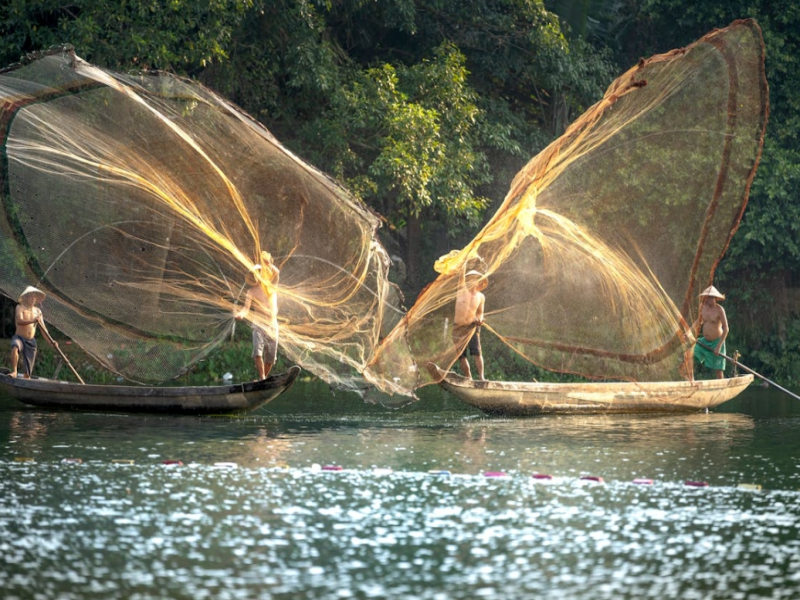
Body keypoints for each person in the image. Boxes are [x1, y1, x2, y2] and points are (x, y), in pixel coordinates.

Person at [235, 254, 280, 380]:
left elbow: (277, 272)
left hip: (272, 326)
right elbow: (245, 308)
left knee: (271, 357)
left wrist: (267, 264)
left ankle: (262, 379)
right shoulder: (251, 292)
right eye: (258, 272)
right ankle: (262, 378)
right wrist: (241, 315)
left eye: (262, 272)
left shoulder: (272, 287)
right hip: (258, 324)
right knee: (258, 353)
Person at [10, 286, 57, 378]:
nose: (32, 298)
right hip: (19, 337)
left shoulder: (38, 311)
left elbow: (44, 330)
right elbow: (19, 321)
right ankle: (14, 371)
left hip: (31, 341)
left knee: (27, 373)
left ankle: (26, 378)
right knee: (15, 346)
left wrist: (52, 342)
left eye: (34, 296)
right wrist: (33, 320)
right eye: (30, 296)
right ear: (26, 297)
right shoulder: (20, 307)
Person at [453, 269, 487, 380]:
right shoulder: (462, 290)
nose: (472, 281)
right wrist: (465, 260)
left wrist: (480, 319)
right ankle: (468, 377)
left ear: (479, 281)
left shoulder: (481, 297)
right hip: (458, 327)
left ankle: (481, 377)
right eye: (470, 279)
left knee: (477, 352)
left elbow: (480, 312)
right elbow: (461, 276)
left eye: (475, 279)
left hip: (472, 327)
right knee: (461, 355)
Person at [693, 285, 729, 379]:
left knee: (718, 370)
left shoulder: (720, 310)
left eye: (710, 297)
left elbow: (726, 329)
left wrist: (718, 346)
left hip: (717, 342)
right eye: (706, 297)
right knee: (691, 353)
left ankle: (721, 389)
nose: (707, 299)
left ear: (715, 298)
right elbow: (699, 321)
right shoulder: (702, 306)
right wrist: (689, 332)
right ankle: (691, 379)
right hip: (705, 341)